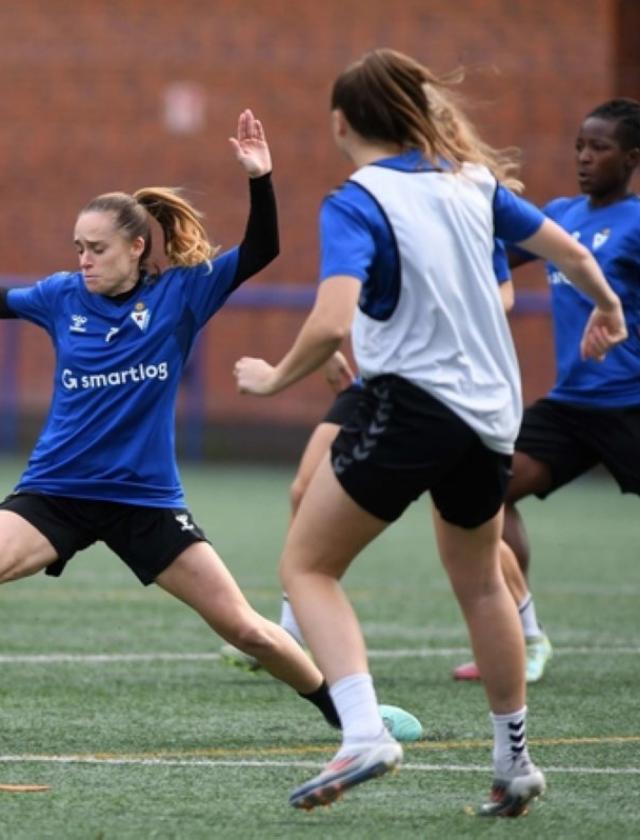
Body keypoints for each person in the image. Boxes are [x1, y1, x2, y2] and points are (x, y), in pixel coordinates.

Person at [0, 109, 417, 749]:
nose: (83, 259)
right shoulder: (63, 296)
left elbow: (262, 250)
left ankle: (353, 718)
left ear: (137, 247)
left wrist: (261, 178)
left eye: (96, 248)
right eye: (78, 248)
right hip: (57, 489)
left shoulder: (183, 295)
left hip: (144, 499)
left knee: (246, 629)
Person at [232, 49, 626, 815]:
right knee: (482, 585)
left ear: (341, 122)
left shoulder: (356, 199)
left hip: (411, 407)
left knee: (307, 568)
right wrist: (609, 308)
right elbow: (572, 253)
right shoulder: (474, 184)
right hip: (490, 421)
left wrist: (275, 377)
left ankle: (362, 732)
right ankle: (513, 763)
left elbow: (333, 320)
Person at [222, 245, 515, 670]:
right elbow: (340, 303)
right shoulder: (367, 200)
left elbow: (523, 280)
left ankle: (525, 626)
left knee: (467, 539)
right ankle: (292, 632)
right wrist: (328, 349)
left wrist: (275, 378)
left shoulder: (474, 202)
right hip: (372, 382)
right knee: (304, 489)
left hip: (439, 389)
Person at [452, 98, 640, 685]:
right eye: (580, 145)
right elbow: (486, 258)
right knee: (487, 490)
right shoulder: (559, 215)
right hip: (573, 405)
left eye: (600, 147)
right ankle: (518, 637)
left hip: (632, 403)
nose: (585, 157)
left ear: (632, 158)